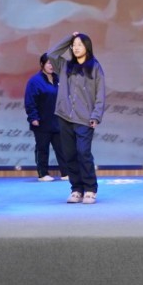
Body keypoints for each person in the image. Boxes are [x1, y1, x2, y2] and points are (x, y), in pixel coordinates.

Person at [48, 32, 107, 204]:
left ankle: (90, 188)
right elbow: (52, 54)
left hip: (85, 118)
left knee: (83, 152)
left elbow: (100, 93)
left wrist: (96, 115)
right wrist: (69, 38)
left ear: (87, 47)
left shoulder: (95, 67)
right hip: (65, 116)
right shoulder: (65, 66)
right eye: (73, 45)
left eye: (79, 44)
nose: (76, 48)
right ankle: (76, 189)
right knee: (70, 154)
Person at [23, 53, 66, 183]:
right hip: (41, 121)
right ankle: (43, 173)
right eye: (49, 63)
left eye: (54, 63)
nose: (52, 66)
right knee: (42, 148)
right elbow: (30, 101)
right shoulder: (34, 81)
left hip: (58, 121)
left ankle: (66, 172)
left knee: (62, 148)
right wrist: (33, 117)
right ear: (42, 64)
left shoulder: (59, 79)